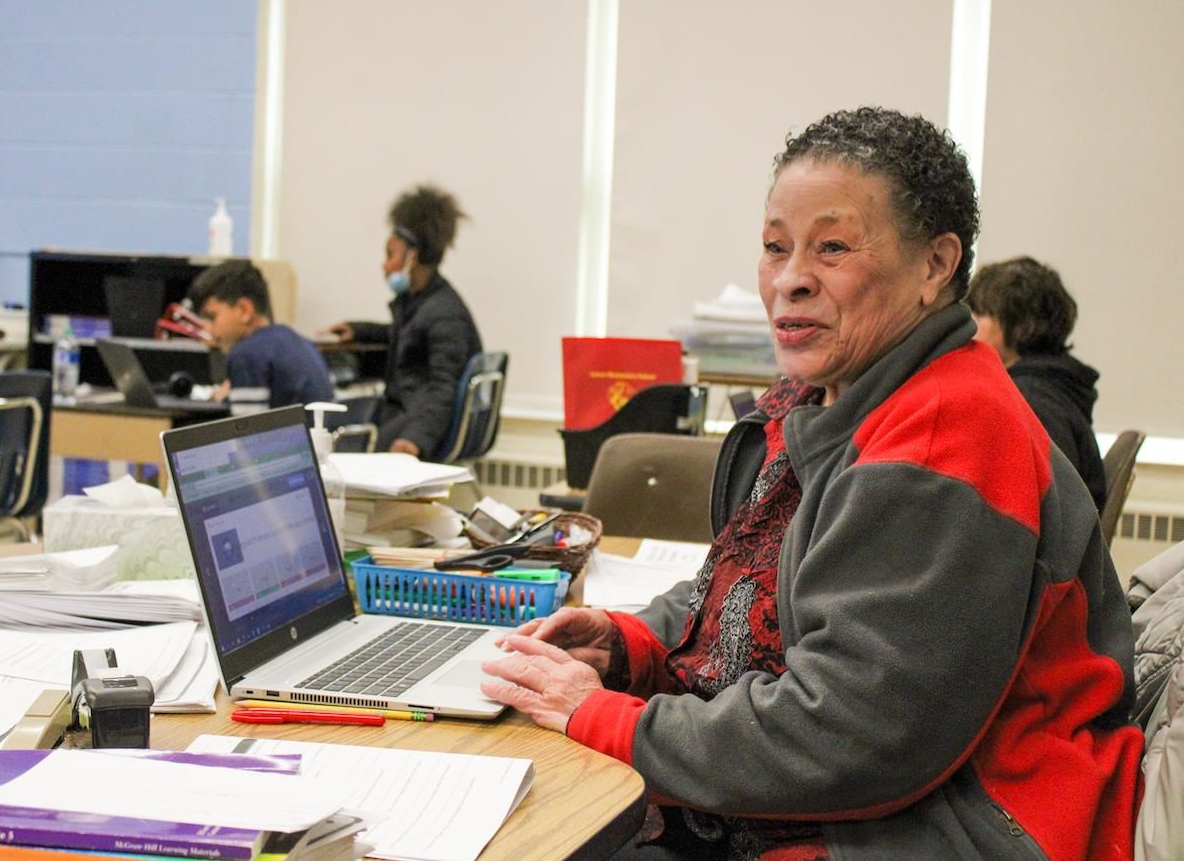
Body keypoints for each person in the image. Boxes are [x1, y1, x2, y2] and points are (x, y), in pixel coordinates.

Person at [481, 108, 1142, 859]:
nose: (791, 279)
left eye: (832, 248)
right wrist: (628, 646)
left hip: (947, 824)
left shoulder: (942, 438)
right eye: (774, 247)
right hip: (858, 801)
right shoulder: (830, 396)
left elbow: (849, 737)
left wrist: (607, 719)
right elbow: (740, 596)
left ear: (935, 265)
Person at [327, 185, 481, 459]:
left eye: (390, 255)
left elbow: (443, 387)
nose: (384, 266)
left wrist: (414, 439)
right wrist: (360, 331)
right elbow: (410, 335)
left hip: (417, 421)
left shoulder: (444, 315)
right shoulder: (424, 305)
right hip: (407, 411)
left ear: (413, 257)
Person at [965, 256, 1107, 511]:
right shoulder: (1054, 385)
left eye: (981, 313)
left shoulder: (1033, 400)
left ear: (1017, 324)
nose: (970, 325)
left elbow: (1044, 511)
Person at [188, 259, 334, 409]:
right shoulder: (300, 342)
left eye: (212, 317)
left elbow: (248, 428)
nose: (207, 330)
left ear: (244, 310)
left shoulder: (245, 354)